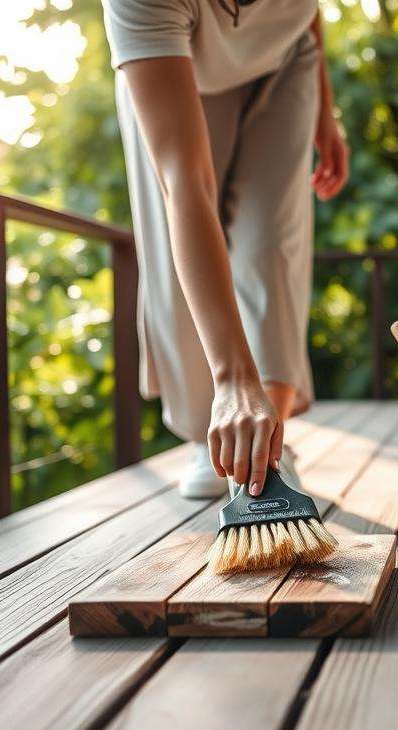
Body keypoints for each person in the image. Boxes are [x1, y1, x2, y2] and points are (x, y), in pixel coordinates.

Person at [102, 0, 349, 498]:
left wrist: (325, 111)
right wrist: (234, 379)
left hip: (284, 61)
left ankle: (268, 448)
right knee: (178, 253)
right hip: (175, 68)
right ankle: (213, 432)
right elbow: (185, 183)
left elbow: (310, 11)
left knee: (271, 242)